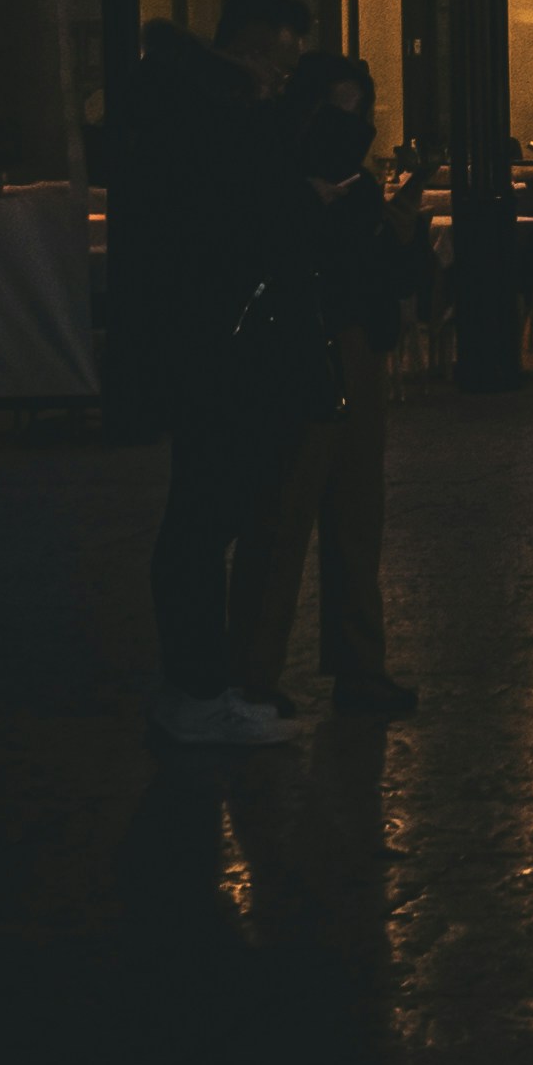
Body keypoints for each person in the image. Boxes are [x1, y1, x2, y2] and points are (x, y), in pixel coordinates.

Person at [111, 0, 325, 747]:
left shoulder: (170, 104)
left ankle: (192, 684)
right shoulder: (214, 117)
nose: (282, 79)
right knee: (205, 518)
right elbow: (243, 220)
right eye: (279, 64)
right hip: (218, 345)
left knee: (200, 516)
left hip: (190, 340)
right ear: (255, 46)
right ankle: (198, 688)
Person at [231, 52, 417, 720]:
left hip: (356, 341)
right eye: (341, 111)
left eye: (359, 112)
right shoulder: (282, 176)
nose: (353, 127)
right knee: (286, 514)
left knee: (355, 513)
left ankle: (355, 665)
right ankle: (256, 671)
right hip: (308, 342)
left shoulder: (351, 182)